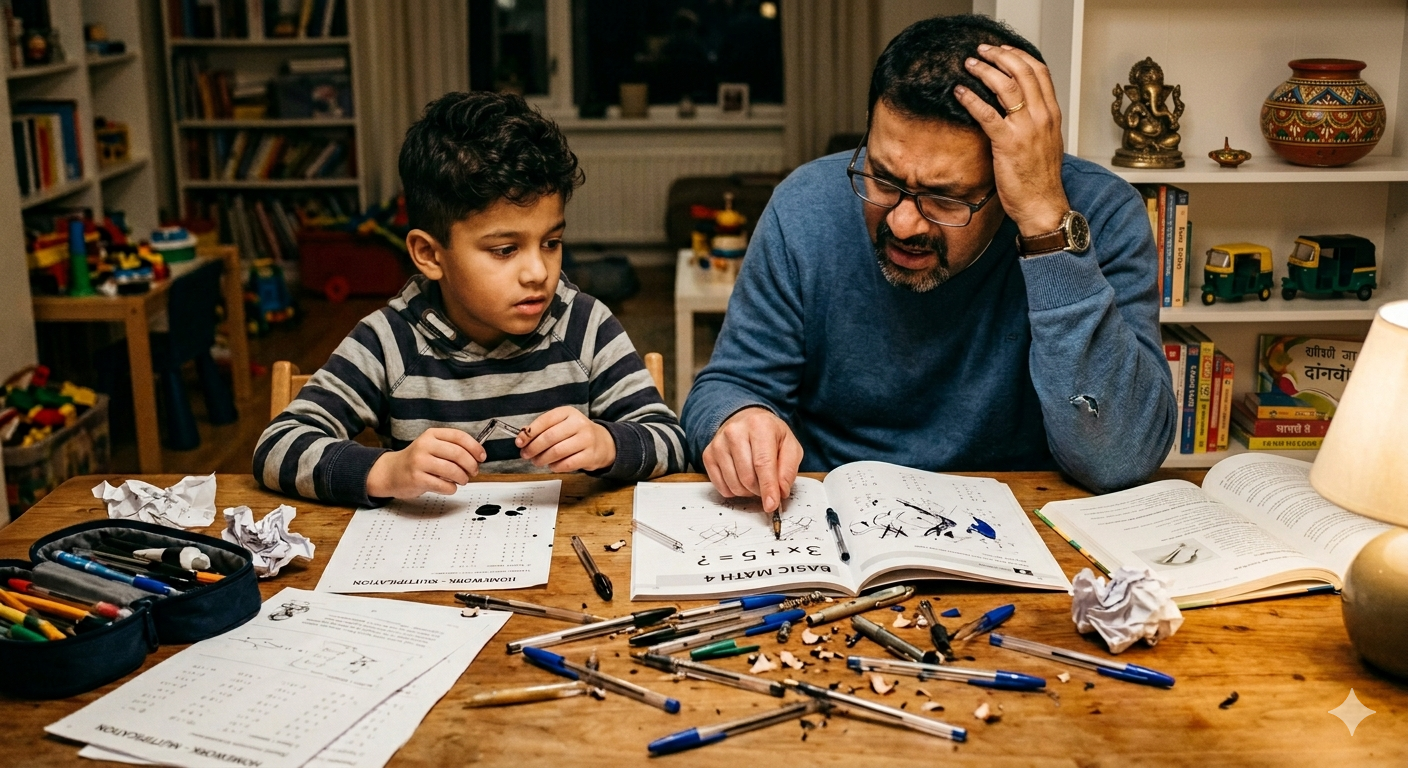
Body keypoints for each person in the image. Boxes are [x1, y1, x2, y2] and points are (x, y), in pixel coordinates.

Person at [681, 15, 1177, 513]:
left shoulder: (1101, 213)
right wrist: (737, 418)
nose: (902, 224)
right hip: (834, 519)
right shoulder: (803, 206)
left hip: (1027, 523)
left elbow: (1119, 458)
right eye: (883, 178)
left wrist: (1046, 225)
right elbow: (727, 385)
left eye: (944, 197)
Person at [255, 92, 686, 506]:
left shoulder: (586, 326)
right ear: (429, 254)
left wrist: (607, 443)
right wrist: (387, 471)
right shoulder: (389, 341)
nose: (538, 272)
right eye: (504, 250)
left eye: (551, 242)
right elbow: (276, 447)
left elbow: (671, 441)